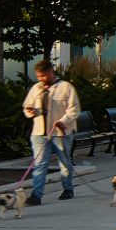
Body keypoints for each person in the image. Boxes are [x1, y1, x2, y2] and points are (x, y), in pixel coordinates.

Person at [20, 58, 79, 204]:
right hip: (40, 132)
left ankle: (68, 188)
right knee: (40, 163)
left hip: (60, 132)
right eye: (39, 76)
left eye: (44, 75)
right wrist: (30, 111)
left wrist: (63, 121)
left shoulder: (66, 87)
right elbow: (26, 105)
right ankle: (36, 195)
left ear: (51, 72)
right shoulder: (36, 89)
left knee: (64, 162)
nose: (41, 79)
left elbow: (74, 109)